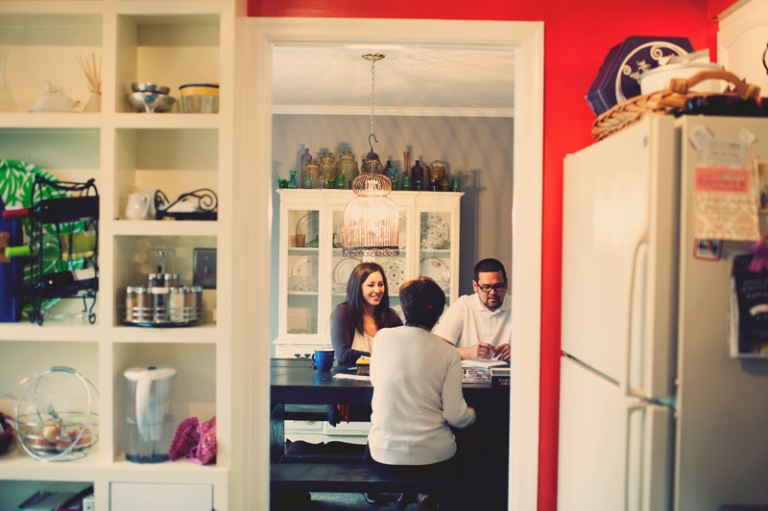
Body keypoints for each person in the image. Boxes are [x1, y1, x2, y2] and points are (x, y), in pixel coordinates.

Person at [366, 277, 476, 510]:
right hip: (433, 460)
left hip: (384, 456)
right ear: (438, 314)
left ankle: (411, 495)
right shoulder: (448, 353)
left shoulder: (383, 338)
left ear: (404, 308)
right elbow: (455, 416)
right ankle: (429, 498)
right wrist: (472, 414)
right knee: (466, 446)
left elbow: (376, 380)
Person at [433, 258, 512, 361]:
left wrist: (518, 351)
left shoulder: (519, 307)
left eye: (498, 286)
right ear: (475, 286)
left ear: (506, 284)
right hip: (467, 371)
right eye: (486, 287)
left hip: (510, 371)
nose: (492, 292)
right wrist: (467, 353)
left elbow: (532, 349)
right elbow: (436, 350)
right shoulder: (463, 306)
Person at [330, 261, 403, 365]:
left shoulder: (391, 317)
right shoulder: (343, 312)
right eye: (371, 285)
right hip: (349, 376)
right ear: (358, 287)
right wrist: (382, 356)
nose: (377, 290)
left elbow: (403, 352)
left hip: (382, 376)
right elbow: (342, 355)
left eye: (381, 284)